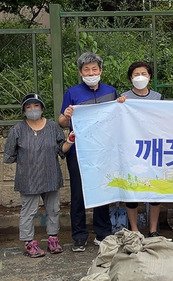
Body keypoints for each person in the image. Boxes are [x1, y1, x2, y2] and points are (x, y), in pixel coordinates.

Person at [58, 52, 117, 252]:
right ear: (80, 72)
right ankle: (79, 236)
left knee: (103, 189)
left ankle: (103, 233)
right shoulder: (72, 92)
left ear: (100, 70)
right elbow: (62, 121)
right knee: (78, 194)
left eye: (94, 69)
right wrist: (66, 116)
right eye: (86, 69)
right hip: (79, 151)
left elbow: (119, 116)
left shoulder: (111, 91)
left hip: (103, 150)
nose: (91, 72)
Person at [4, 94, 74, 257]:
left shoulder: (52, 127)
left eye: (36, 106)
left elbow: (60, 149)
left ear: (42, 108)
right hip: (28, 178)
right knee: (28, 210)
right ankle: (29, 242)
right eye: (28, 107)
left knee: (53, 209)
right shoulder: (17, 130)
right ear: (24, 110)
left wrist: (70, 141)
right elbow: (9, 155)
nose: (32, 109)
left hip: (51, 175)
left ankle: (53, 239)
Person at [116, 61, 163, 237]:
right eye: (136, 74)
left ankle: (152, 230)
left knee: (155, 191)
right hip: (132, 150)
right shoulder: (124, 98)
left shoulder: (158, 97)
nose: (140, 77)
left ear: (150, 76)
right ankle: (134, 230)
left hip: (153, 149)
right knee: (132, 192)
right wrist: (119, 104)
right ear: (130, 78)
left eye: (144, 73)